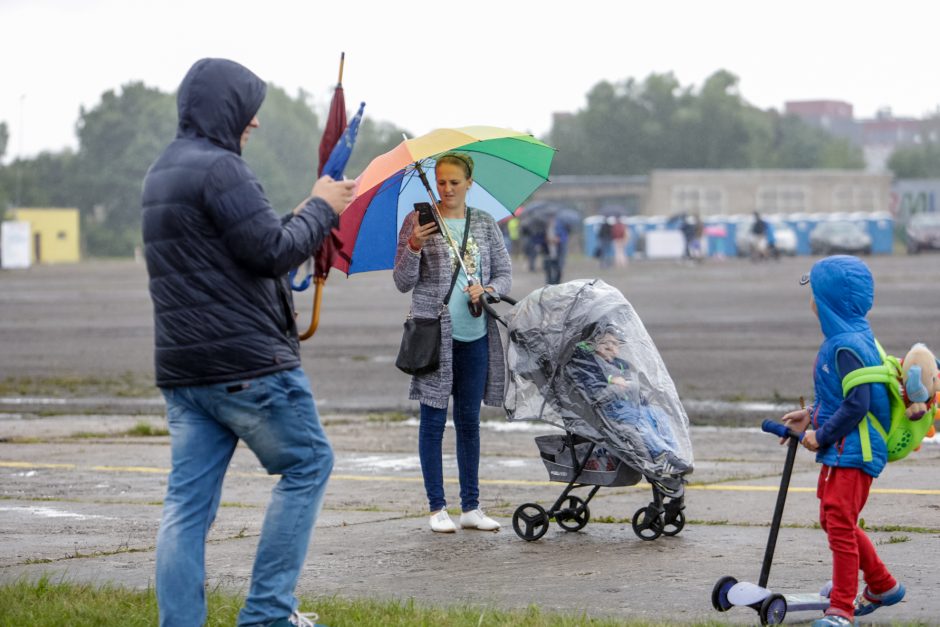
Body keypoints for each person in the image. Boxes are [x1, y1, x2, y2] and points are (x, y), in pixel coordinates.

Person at [141, 58, 356, 627]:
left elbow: (240, 248)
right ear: (227, 110)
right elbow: (270, 252)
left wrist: (302, 217)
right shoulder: (222, 170)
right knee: (310, 463)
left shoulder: (162, 170)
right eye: (249, 111)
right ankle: (267, 614)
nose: (255, 124)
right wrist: (320, 208)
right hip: (247, 367)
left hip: (185, 374)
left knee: (186, 507)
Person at [780, 256, 904, 627]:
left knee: (839, 522)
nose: (812, 300)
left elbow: (858, 404)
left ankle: (841, 609)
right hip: (845, 448)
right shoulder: (850, 338)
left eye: (815, 292)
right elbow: (840, 397)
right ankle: (882, 585)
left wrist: (822, 435)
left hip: (854, 450)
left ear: (827, 299)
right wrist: (812, 414)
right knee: (836, 518)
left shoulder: (846, 345)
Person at [393, 151, 512, 533]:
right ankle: (437, 507)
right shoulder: (419, 221)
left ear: (469, 184)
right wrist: (413, 245)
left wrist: (489, 289)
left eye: (454, 182)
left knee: (469, 421)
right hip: (434, 335)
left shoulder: (484, 223)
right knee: (432, 420)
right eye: (441, 181)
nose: (446, 189)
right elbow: (402, 282)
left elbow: (505, 272)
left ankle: (472, 507)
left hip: (476, 335)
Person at [566, 323, 689, 476]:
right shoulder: (591, 366)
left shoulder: (622, 365)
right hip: (611, 414)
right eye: (604, 343)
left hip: (631, 406)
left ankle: (671, 453)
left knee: (657, 414)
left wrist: (638, 391)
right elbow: (594, 394)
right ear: (594, 345)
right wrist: (613, 383)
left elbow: (635, 387)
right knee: (639, 423)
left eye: (615, 343)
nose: (610, 346)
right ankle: (660, 456)